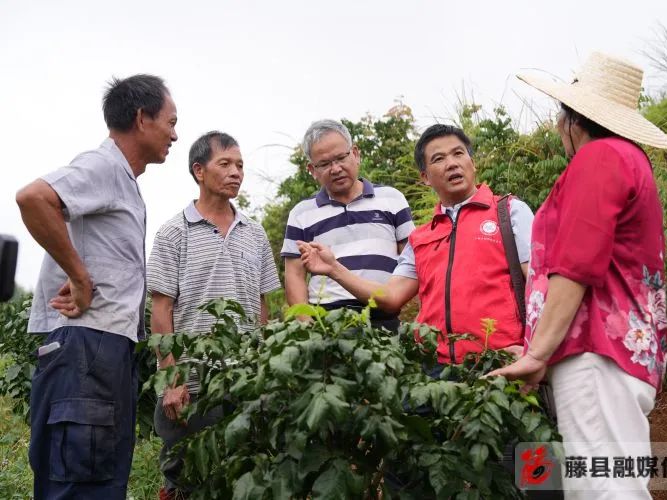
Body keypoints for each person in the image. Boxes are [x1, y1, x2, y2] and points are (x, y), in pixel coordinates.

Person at [487, 52, 667, 498]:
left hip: (596, 351)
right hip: (615, 353)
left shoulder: (601, 157)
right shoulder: (629, 159)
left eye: (561, 117)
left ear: (574, 120)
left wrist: (538, 352)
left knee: (603, 490)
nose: (557, 129)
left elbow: (575, 266)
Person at [17, 74, 178, 499]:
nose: (174, 134)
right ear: (142, 119)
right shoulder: (103, 165)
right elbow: (33, 198)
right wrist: (79, 277)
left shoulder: (123, 180)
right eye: (170, 121)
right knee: (80, 484)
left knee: (101, 481)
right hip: (87, 348)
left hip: (104, 350)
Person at [298, 123, 534, 369]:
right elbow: (389, 298)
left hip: (502, 364)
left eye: (458, 153)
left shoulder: (508, 213)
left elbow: (542, 289)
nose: (452, 163)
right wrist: (335, 269)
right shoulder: (420, 238)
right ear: (425, 178)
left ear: (472, 163)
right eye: (439, 158)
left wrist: (535, 351)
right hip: (436, 372)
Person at [147, 131, 281, 498]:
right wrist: (171, 379)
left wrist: (263, 367)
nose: (236, 172)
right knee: (186, 477)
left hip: (243, 380)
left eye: (240, 165)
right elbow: (162, 310)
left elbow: (262, 305)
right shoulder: (174, 233)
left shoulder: (254, 234)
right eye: (225, 164)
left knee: (243, 475)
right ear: (199, 171)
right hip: (191, 382)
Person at [282, 119, 415, 331]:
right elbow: (295, 276)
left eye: (341, 158)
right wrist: (308, 328)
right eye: (324, 164)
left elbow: (413, 263)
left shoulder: (392, 199)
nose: (335, 169)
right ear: (312, 170)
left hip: (383, 318)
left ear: (355, 154)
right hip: (327, 324)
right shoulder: (301, 214)